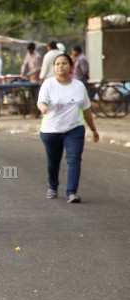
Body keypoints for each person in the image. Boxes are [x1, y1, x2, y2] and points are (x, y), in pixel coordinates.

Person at [37, 52, 99, 202]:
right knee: (53, 161)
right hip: (51, 131)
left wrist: (93, 129)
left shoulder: (79, 86)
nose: (60, 66)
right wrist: (43, 108)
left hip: (74, 129)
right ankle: (52, 186)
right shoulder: (48, 84)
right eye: (57, 64)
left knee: (74, 159)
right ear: (54, 67)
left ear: (70, 66)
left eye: (64, 63)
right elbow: (40, 102)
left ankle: (71, 192)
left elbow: (86, 109)